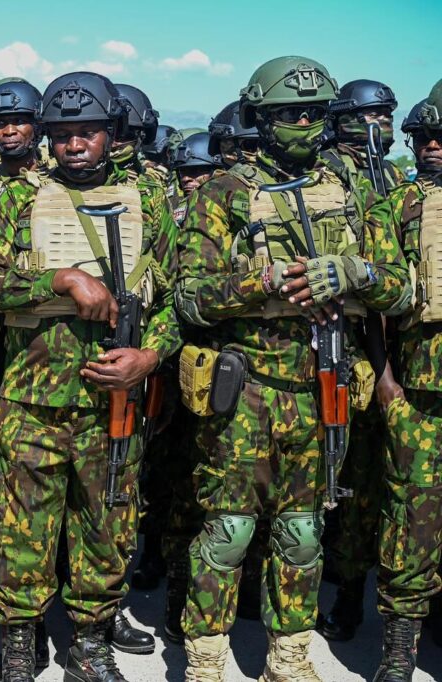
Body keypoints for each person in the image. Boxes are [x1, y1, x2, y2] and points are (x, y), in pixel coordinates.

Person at [174, 55, 410, 681]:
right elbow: (190, 297)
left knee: (303, 534)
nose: (302, 123)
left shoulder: (355, 191)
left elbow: (400, 288)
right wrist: (264, 281)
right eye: (287, 113)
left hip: (323, 385)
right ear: (261, 118)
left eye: (312, 113)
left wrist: (353, 272)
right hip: (246, 390)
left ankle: (289, 658)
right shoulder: (226, 192)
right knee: (227, 533)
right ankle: (205, 660)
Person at [0, 70, 181, 682]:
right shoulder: (17, 198)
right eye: (62, 134)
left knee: (107, 527)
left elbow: (178, 296)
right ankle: (20, 639)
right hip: (32, 400)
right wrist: (60, 279)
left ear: (112, 133)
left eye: (88, 132)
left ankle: (89, 643)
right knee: (22, 532)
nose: (74, 144)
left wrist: (150, 357)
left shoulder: (151, 201)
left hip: (112, 405)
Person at [317, 77, 405, 644]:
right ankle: (342, 590)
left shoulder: (394, 180)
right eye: (372, 116)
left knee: (383, 480)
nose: (381, 126)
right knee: (343, 475)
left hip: (397, 341)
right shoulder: (328, 175)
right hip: (344, 343)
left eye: (387, 116)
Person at [369, 85, 442, 682]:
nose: (432, 146)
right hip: (418, 396)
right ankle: (399, 648)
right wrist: (385, 382)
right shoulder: (396, 205)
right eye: (424, 137)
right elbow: (372, 306)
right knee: (411, 525)